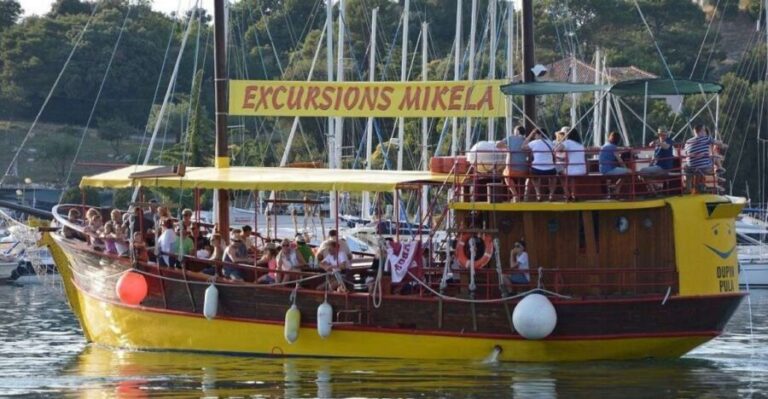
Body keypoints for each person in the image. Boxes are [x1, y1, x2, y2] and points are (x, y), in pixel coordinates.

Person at [684, 124, 727, 192]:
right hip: (704, 167)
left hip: (691, 167)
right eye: (704, 130)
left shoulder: (688, 141)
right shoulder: (707, 138)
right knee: (715, 155)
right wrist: (722, 144)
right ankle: (719, 168)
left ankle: (688, 189)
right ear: (700, 131)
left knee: (687, 169)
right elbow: (718, 143)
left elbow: (686, 153)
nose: (705, 132)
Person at [522, 128, 557, 201]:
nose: (534, 136)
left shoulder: (534, 143)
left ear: (540, 134)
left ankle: (538, 194)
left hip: (537, 169)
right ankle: (551, 195)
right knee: (553, 178)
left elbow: (523, 147)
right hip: (550, 169)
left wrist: (530, 135)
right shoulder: (551, 143)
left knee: (534, 177)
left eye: (535, 134)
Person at [496, 125, 528, 202]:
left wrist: (507, 148)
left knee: (506, 176)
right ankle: (526, 196)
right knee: (528, 177)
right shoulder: (526, 140)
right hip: (524, 169)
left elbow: (497, 145)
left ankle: (515, 195)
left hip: (511, 169)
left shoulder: (510, 138)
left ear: (517, 131)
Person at [554, 127, 587, 201]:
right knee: (571, 178)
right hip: (582, 169)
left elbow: (556, 149)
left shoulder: (567, 142)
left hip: (572, 170)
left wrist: (561, 140)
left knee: (559, 172)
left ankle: (567, 194)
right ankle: (574, 194)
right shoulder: (580, 145)